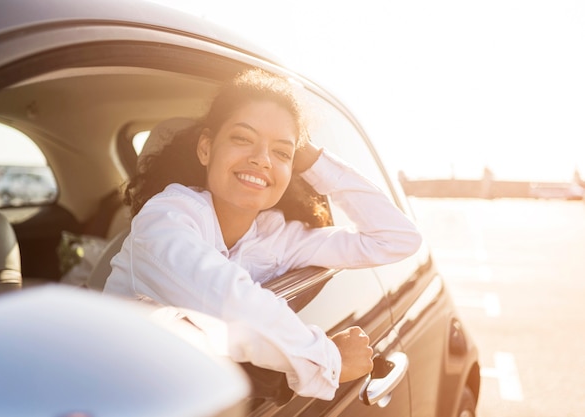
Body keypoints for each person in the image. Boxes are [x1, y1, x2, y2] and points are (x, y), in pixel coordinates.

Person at [104, 68, 422, 401]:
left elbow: (397, 239)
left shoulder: (276, 236)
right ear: (206, 149)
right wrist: (329, 359)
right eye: (243, 139)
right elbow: (228, 300)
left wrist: (312, 159)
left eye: (282, 153)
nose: (261, 160)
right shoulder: (165, 218)